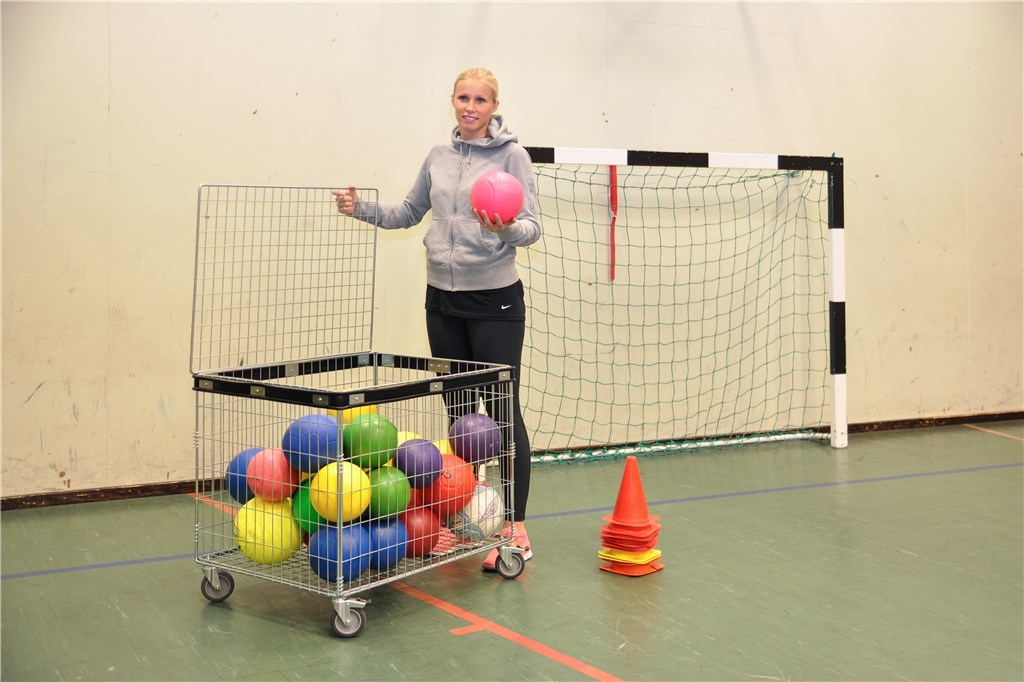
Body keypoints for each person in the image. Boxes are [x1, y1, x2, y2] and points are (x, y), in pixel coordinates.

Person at [333, 67, 542, 570]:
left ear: (495, 106)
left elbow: (532, 229)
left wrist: (508, 227)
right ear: (453, 101)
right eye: (463, 98)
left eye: (481, 100)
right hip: (442, 301)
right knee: (459, 415)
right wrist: (360, 209)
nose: (470, 107)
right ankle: (460, 523)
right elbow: (408, 212)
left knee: (500, 414)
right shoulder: (438, 157)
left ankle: (513, 527)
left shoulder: (513, 157)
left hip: (494, 301)